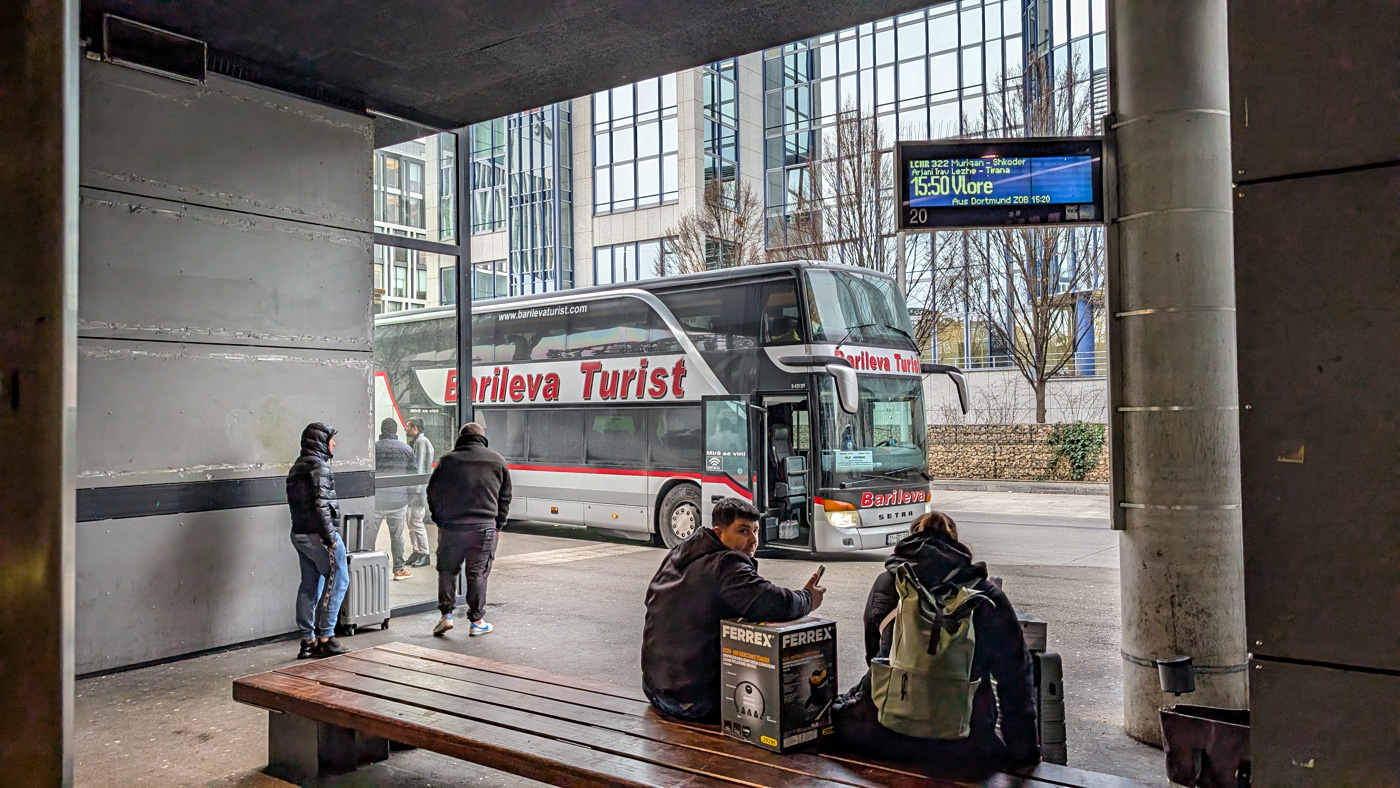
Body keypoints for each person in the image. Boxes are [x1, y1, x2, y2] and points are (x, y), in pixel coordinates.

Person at [830, 512, 1040, 771]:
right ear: (955, 543)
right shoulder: (985, 595)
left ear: (911, 539)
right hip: (964, 746)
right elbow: (1016, 681)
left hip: (883, 736)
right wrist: (1025, 754)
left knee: (839, 707)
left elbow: (874, 656)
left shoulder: (888, 582)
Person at [641, 497, 825, 722]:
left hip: (654, 689)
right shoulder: (726, 565)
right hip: (692, 702)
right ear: (719, 533)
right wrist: (808, 598)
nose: (753, 540)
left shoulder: (679, 553)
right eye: (743, 531)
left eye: (756, 531)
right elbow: (775, 603)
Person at [426, 422, 512, 637]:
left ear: (460, 437)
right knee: (477, 574)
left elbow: (433, 492)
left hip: (452, 528)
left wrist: (440, 519)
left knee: (447, 571)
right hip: (484, 528)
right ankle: (477, 622)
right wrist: (498, 525)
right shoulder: (497, 461)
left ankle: (446, 616)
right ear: (482, 437)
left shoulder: (448, 460)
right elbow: (505, 497)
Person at [285, 422, 351, 659]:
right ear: (321, 441)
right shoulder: (320, 469)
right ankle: (326, 638)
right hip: (319, 535)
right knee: (339, 579)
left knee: (309, 584)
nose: (334, 443)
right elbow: (321, 505)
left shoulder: (296, 468)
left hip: (300, 533)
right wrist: (331, 538)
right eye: (331, 439)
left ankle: (307, 641)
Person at [372, 418, 416, 579]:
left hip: (376, 501)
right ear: (396, 431)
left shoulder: (373, 448)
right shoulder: (406, 449)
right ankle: (399, 569)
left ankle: (366, 566)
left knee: (370, 537)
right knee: (397, 537)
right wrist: (409, 497)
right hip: (398, 501)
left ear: (382, 430)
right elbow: (413, 475)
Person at [403, 417, 435, 568]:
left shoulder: (422, 442)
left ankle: (424, 553)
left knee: (416, 521)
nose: (405, 428)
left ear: (415, 428)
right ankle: (416, 551)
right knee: (411, 521)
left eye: (408, 426)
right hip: (416, 489)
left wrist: (415, 491)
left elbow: (420, 468)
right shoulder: (418, 442)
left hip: (418, 490)